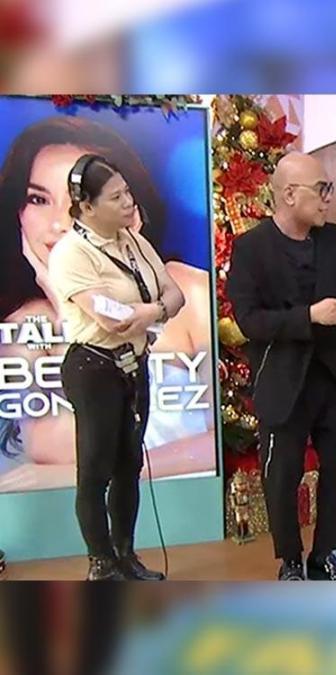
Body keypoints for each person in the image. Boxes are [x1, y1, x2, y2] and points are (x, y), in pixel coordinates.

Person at [0, 115, 214, 492]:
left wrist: (125, 473)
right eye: (38, 199)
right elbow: (55, 449)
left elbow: (220, 442)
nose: (58, 224)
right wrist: (66, 302)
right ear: (19, 213)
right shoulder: (27, 324)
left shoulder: (189, 289)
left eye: (78, 201)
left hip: (190, 505)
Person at [227, 151, 336, 581]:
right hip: (284, 382)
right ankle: (291, 560)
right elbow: (249, 321)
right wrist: (308, 317)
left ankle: (323, 555)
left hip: (334, 380)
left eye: (328, 189)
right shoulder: (251, 249)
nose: (328, 198)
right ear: (289, 194)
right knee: (282, 477)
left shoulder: (335, 240)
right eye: (321, 190)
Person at [47, 153, 185, 580]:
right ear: (86, 206)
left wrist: (151, 312)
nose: (129, 202)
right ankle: (102, 563)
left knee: (130, 466)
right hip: (94, 367)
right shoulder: (71, 253)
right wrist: (154, 311)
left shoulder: (135, 241)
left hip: (133, 363)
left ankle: (126, 555)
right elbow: (111, 318)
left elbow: (176, 294)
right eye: (116, 196)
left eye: (128, 192)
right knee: (95, 470)